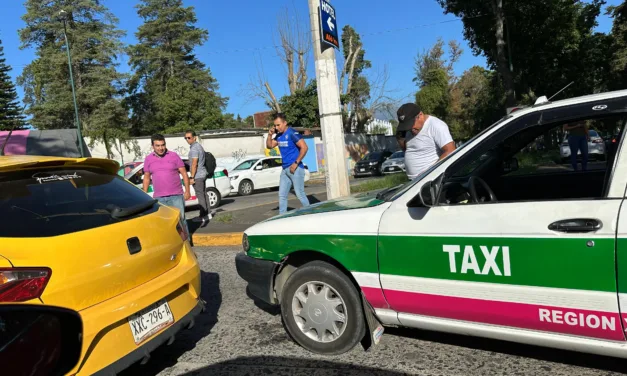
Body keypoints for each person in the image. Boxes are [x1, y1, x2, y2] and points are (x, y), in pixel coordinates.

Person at [143, 134, 191, 233]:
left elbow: (184, 174)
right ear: (153, 146)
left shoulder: (174, 156)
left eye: (163, 145)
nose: (161, 148)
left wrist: (187, 191)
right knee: (164, 224)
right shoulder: (148, 159)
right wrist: (144, 195)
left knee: (181, 220)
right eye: (158, 145)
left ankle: (186, 243)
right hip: (159, 198)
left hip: (176, 196)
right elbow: (146, 178)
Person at [395, 103, 456, 179]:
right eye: (407, 126)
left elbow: (451, 150)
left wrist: (429, 173)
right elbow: (407, 150)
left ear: (420, 115)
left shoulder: (435, 125)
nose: (410, 129)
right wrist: (399, 138)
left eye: (411, 125)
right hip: (414, 181)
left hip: (431, 180)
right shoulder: (409, 130)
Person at [266, 113, 310, 214]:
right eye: (275, 125)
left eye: (279, 125)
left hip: (296, 168)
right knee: (282, 195)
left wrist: (296, 163)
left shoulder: (292, 133)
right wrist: (269, 135)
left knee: (300, 194)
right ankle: (282, 217)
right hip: (285, 169)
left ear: (285, 123)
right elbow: (270, 146)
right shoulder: (278, 136)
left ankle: (310, 213)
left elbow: (304, 147)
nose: (277, 127)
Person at [185, 130, 211, 226]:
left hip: (198, 175)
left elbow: (194, 163)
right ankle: (208, 213)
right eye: (186, 138)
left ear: (194, 137)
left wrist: (192, 177)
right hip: (202, 173)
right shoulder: (199, 146)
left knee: (200, 195)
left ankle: (203, 216)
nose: (187, 139)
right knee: (204, 194)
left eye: (189, 137)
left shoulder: (194, 148)